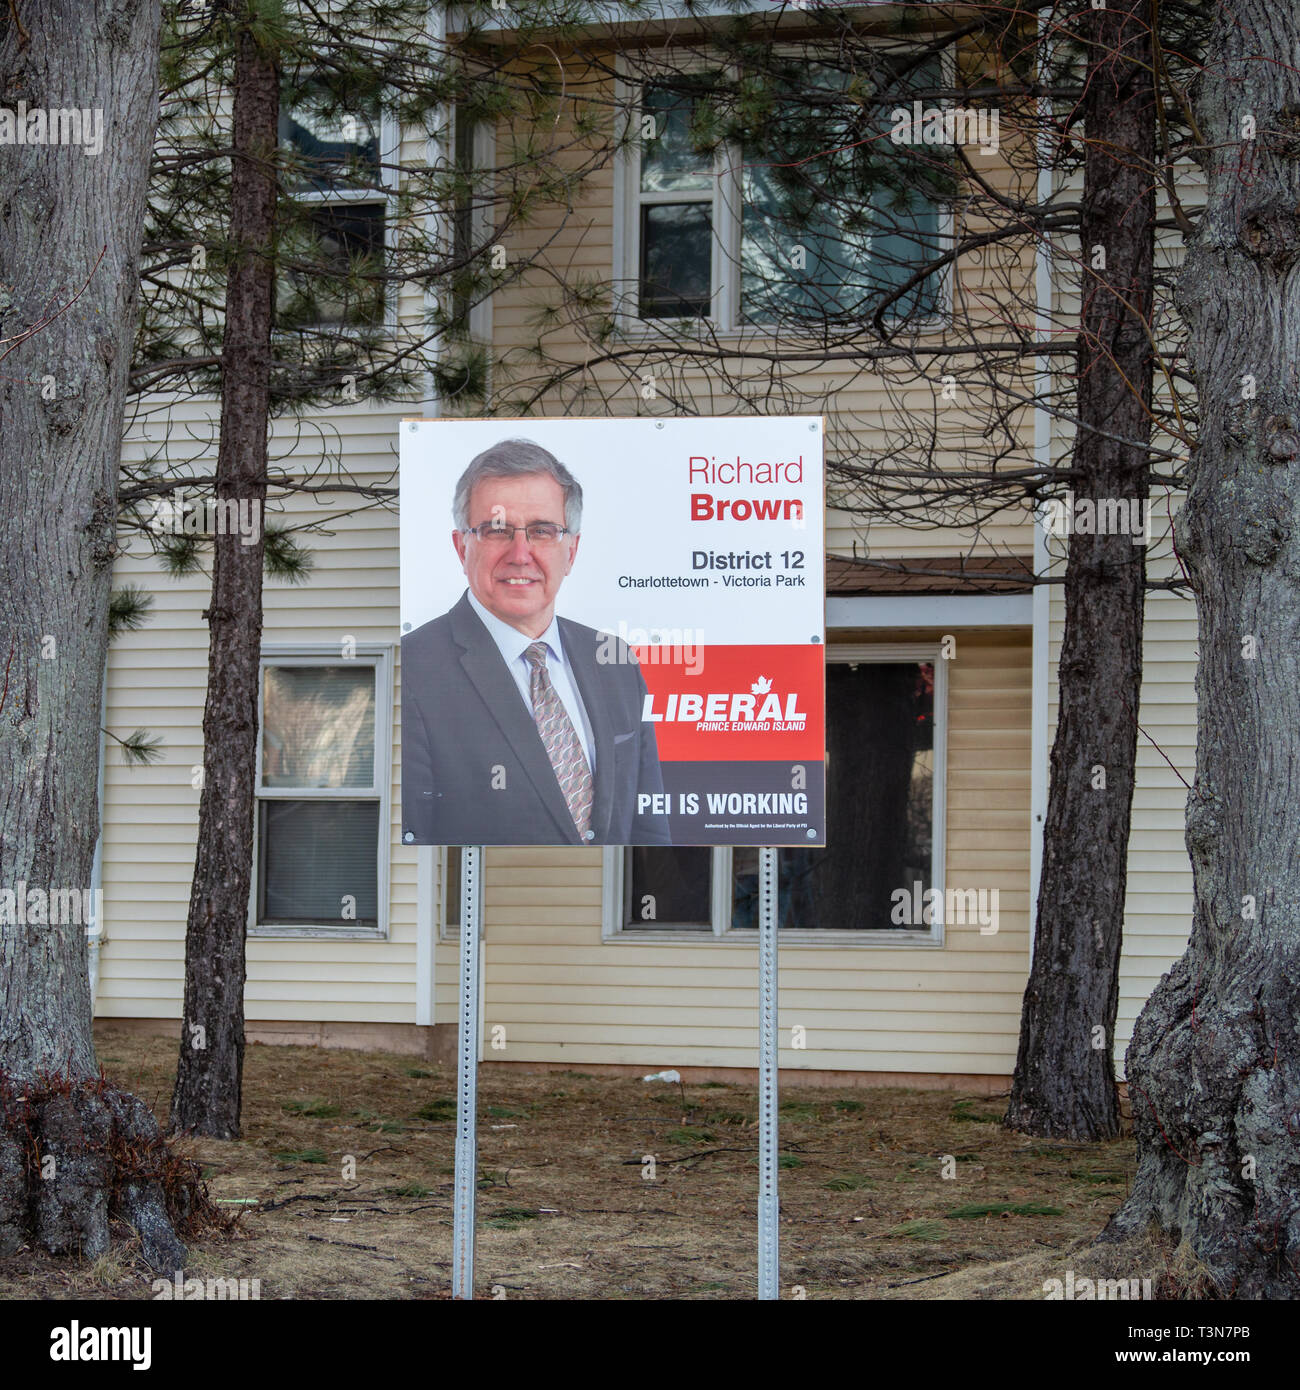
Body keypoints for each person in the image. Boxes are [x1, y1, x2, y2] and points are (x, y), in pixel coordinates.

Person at [402, 438, 671, 846]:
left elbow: (648, 831)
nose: (521, 554)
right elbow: (413, 843)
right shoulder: (415, 671)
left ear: (572, 550)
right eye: (497, 531)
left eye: (542, 531)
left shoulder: (614, 661)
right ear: (461, 547)